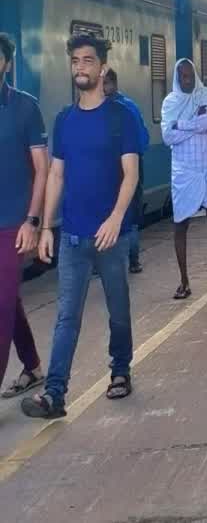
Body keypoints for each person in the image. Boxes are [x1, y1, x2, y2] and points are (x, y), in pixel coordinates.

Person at [23, 35, 140, 419]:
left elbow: (131, 174)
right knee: (66, 317)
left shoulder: (121, 115)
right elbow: (56, 176)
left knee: (118, 311)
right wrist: (45, 227)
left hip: (111, 237)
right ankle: (55, 394)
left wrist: (116, 218)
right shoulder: (65, 120)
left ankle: (120, 371)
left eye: (88, 61)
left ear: (102, 67)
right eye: (75, 61)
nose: (80, 68)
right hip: (72, 236)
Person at [0, 32, 46, 400]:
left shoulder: (26, 108)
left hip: (13, 224)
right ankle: (32, 366)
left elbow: (42, 170)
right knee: (8, 300)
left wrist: (33, 220)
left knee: (0, 304)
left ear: (7, 63)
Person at [162, 58, 207, 300]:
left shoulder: (206, 94)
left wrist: (180, 124)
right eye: (183, 77)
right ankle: (184, 282)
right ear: (178, 78)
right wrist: (192, 125)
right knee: (181, 225)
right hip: (184, 172)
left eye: (191, 76)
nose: (188, 80)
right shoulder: (170, 102)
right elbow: (167, 136)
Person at [102, 70, 150, 274]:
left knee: (122, 215)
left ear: (112, 83)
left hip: (119, 168)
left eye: (104, 83)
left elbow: (141, 141)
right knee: (129, 215)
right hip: (130, 165)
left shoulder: (122, 109)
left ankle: (129, 259)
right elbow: (144, 140)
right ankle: (132, 260)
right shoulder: (130, 107)